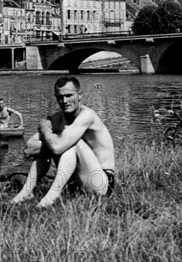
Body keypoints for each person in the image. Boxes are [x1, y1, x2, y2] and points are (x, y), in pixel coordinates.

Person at [11, 76, 116, 208]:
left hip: (101, 182)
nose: (64, 101)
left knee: (69, 142)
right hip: (75, 182)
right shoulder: (57, 118)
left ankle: (51, 197)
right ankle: (26, 192)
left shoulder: (87, 115)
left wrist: (45, 130)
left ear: (80, 96)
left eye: (69, 95)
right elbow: (29, 147)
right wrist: (49, 141)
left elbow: (57, 147)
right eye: (60, 97)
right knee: (55, 141)